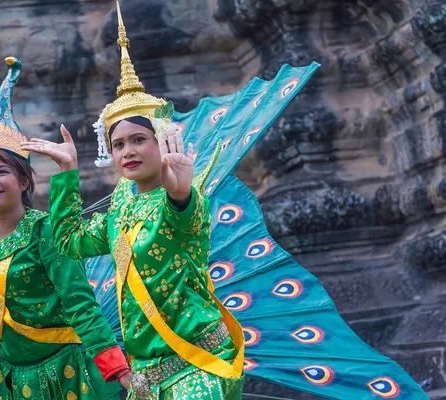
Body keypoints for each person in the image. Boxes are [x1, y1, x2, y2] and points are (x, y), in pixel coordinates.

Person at [24, 2, 429, 399]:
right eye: (118, 144)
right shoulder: (120, 212)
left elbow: (184, 212)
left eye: (139, 140)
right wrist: (66, 176)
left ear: (162, 140)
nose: (127, 151)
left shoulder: (180, 199)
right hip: (147, 382)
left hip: (200, 368)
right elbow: (67, 242)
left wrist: (181, 187)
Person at [0, 56, 131, 400]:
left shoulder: (45, 231)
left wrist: (116, 369)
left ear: (23, 181)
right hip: (15, 384)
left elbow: (80, 303)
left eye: (1, 171)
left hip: (69, 376)